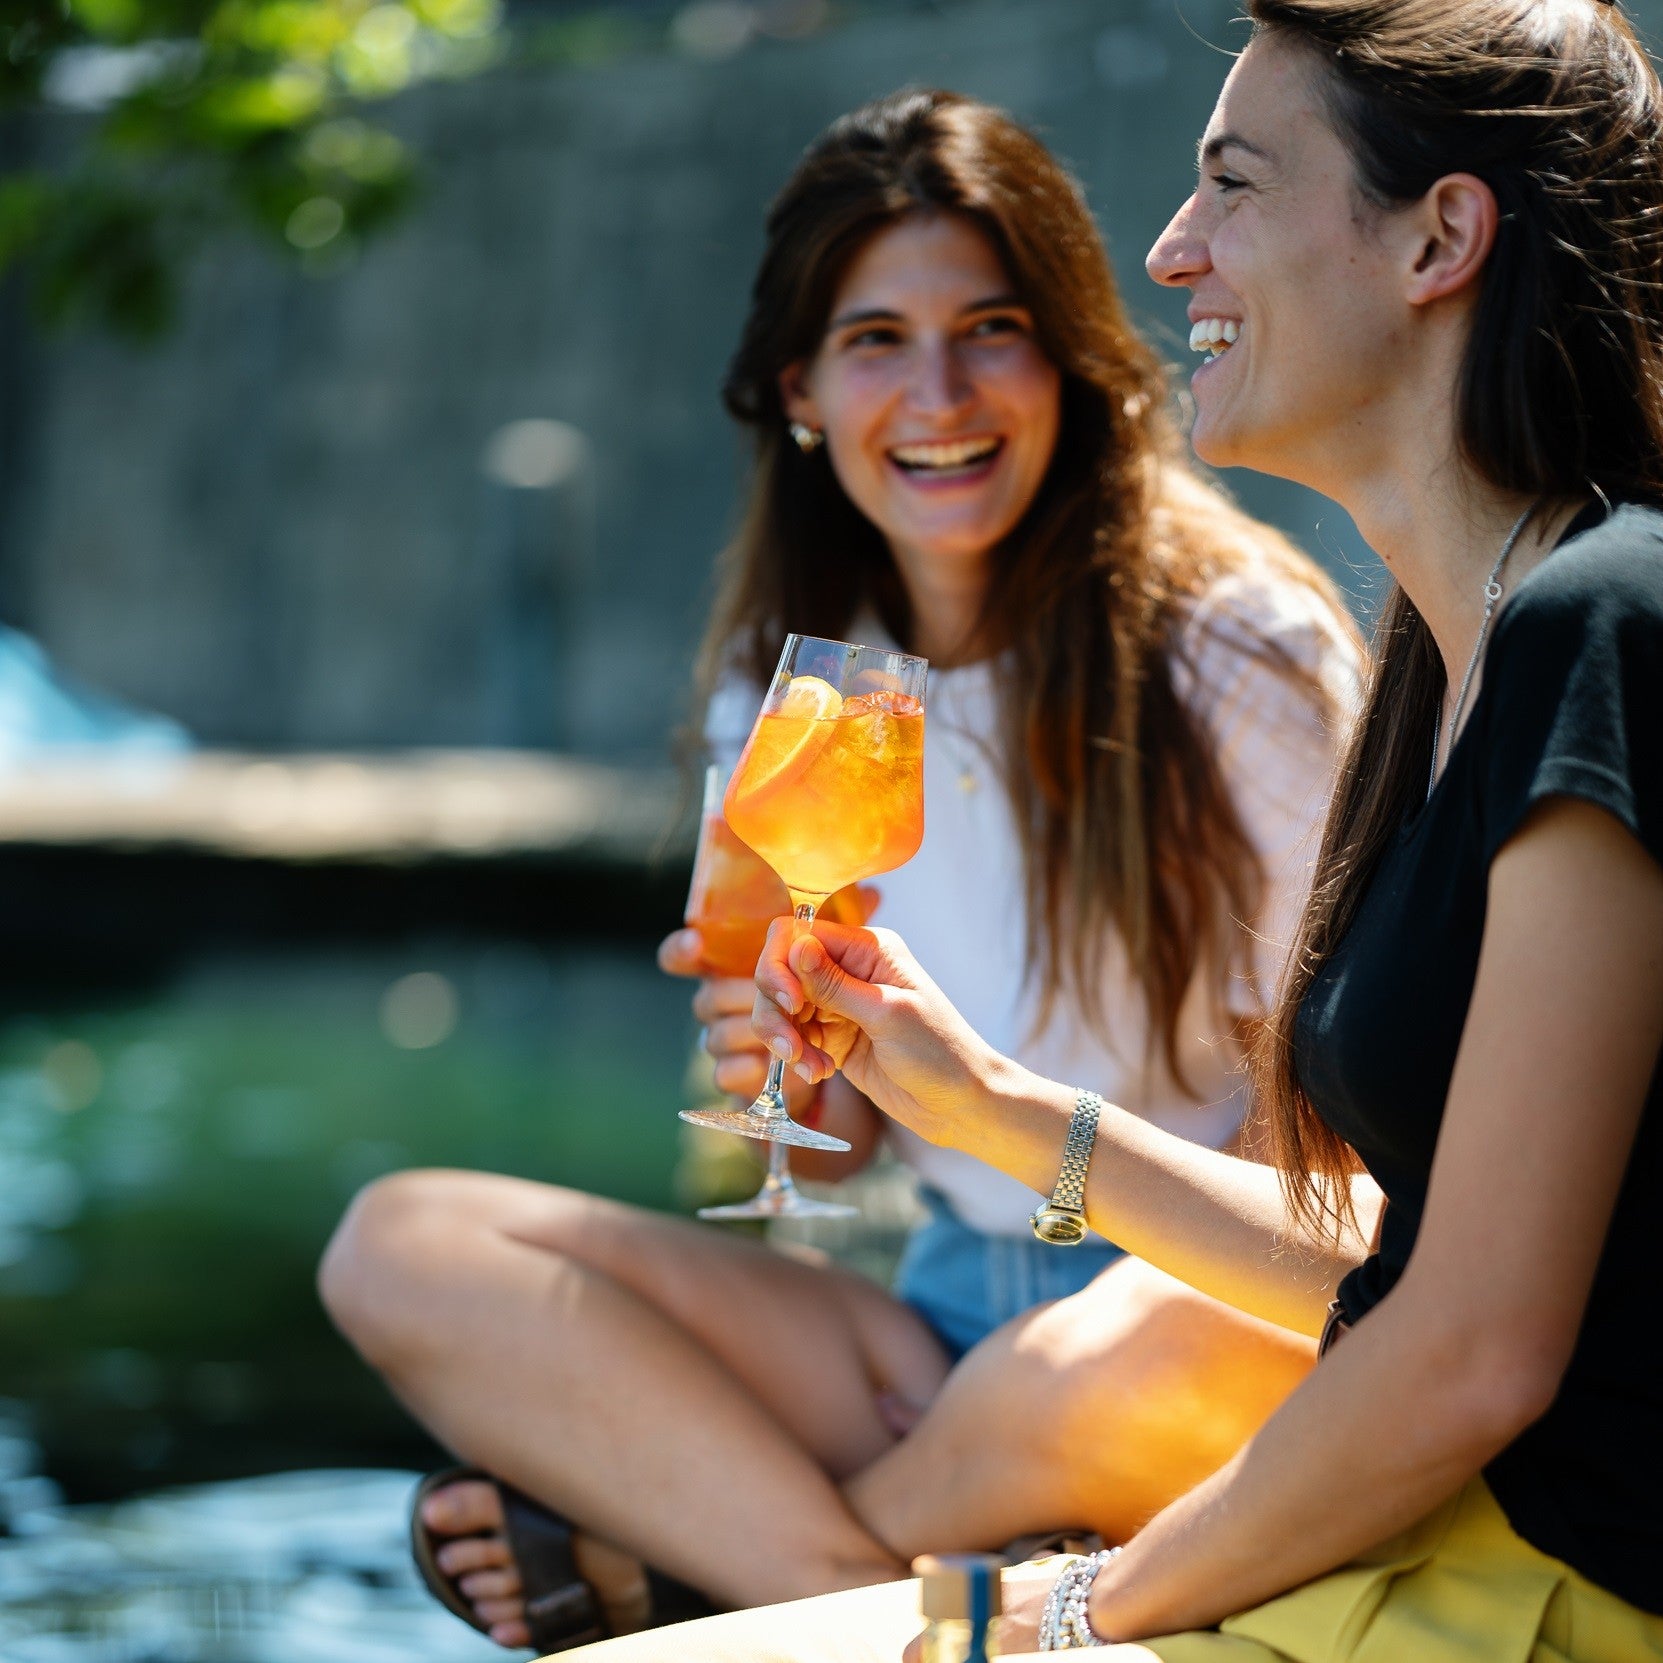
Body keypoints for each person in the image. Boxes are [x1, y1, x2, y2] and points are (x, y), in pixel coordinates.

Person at [567, 2, 1663, 1657]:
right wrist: (985, 1102)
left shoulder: (1604, 626)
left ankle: (691, 1559)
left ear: (1441, 237)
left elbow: (1473, 1354)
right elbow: (1409, 1274)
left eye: (1232, 184)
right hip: (1433, 1545)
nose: (1170, 253)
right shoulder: (1457, 657)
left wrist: (1073, 1609)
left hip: (1538, 1597)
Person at [317, 89, 1360, 1654]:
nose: (937, 391)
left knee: (1078, 1373)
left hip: (1193, 1305)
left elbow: (1363, 1150)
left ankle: (683, 1572)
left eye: (990, 325)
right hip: (935, 1315)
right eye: (876, 339)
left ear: (1069, 357)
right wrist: (791, 1070)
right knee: (398, 1246)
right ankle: (854, 1590)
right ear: (800, 387)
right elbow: (825, 1150)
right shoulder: (797, 689)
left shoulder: (1240, 660)